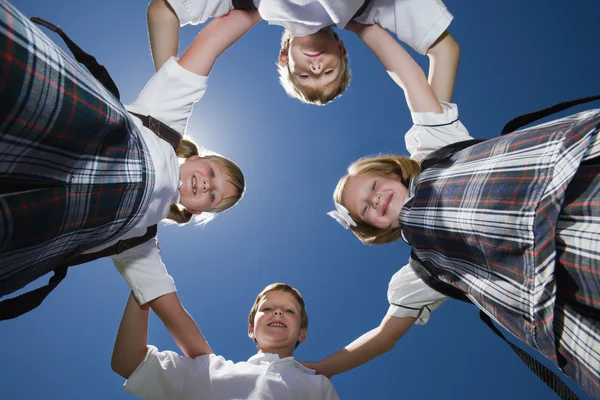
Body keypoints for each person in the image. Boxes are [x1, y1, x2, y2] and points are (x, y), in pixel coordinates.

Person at [312, 23, 600, 399]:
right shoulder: (420, 271)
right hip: (568, 283)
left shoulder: (433, 147)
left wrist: (360, 21)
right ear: (375, 228)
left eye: (372, 187)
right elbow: (381, 339)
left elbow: (411, 78)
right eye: (366, 210)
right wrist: (309, 370)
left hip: (575, 182)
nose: (375, 200)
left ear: (391, 172)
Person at [0, 0, 255, 358]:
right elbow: (211, 40)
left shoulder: (140, 242)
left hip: (35, 225)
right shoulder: (165, 118)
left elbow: (174, 315)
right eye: (212, 174)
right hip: (56, 116)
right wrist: (264, 9)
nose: (206, 186)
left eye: (212, 196)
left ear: (197, 211)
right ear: (198, 157)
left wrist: (217, 379)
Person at [146, 0, 459, 105]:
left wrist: (165, 102)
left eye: (305, 74)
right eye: (328, 72)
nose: (316, 67)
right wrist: (435, 138)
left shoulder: (249, 2)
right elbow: (445, 49)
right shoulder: (366, 7)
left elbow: (163, 11)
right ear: (341, 49)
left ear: (285, 59)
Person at [111, 282, 339, 399]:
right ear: (251, 330)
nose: (277, 312)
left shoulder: (318, 386)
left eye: (289, 311)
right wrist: (142, 288)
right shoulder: (209, 370)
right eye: (267, 308)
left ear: (302, 333)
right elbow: (129, 363)